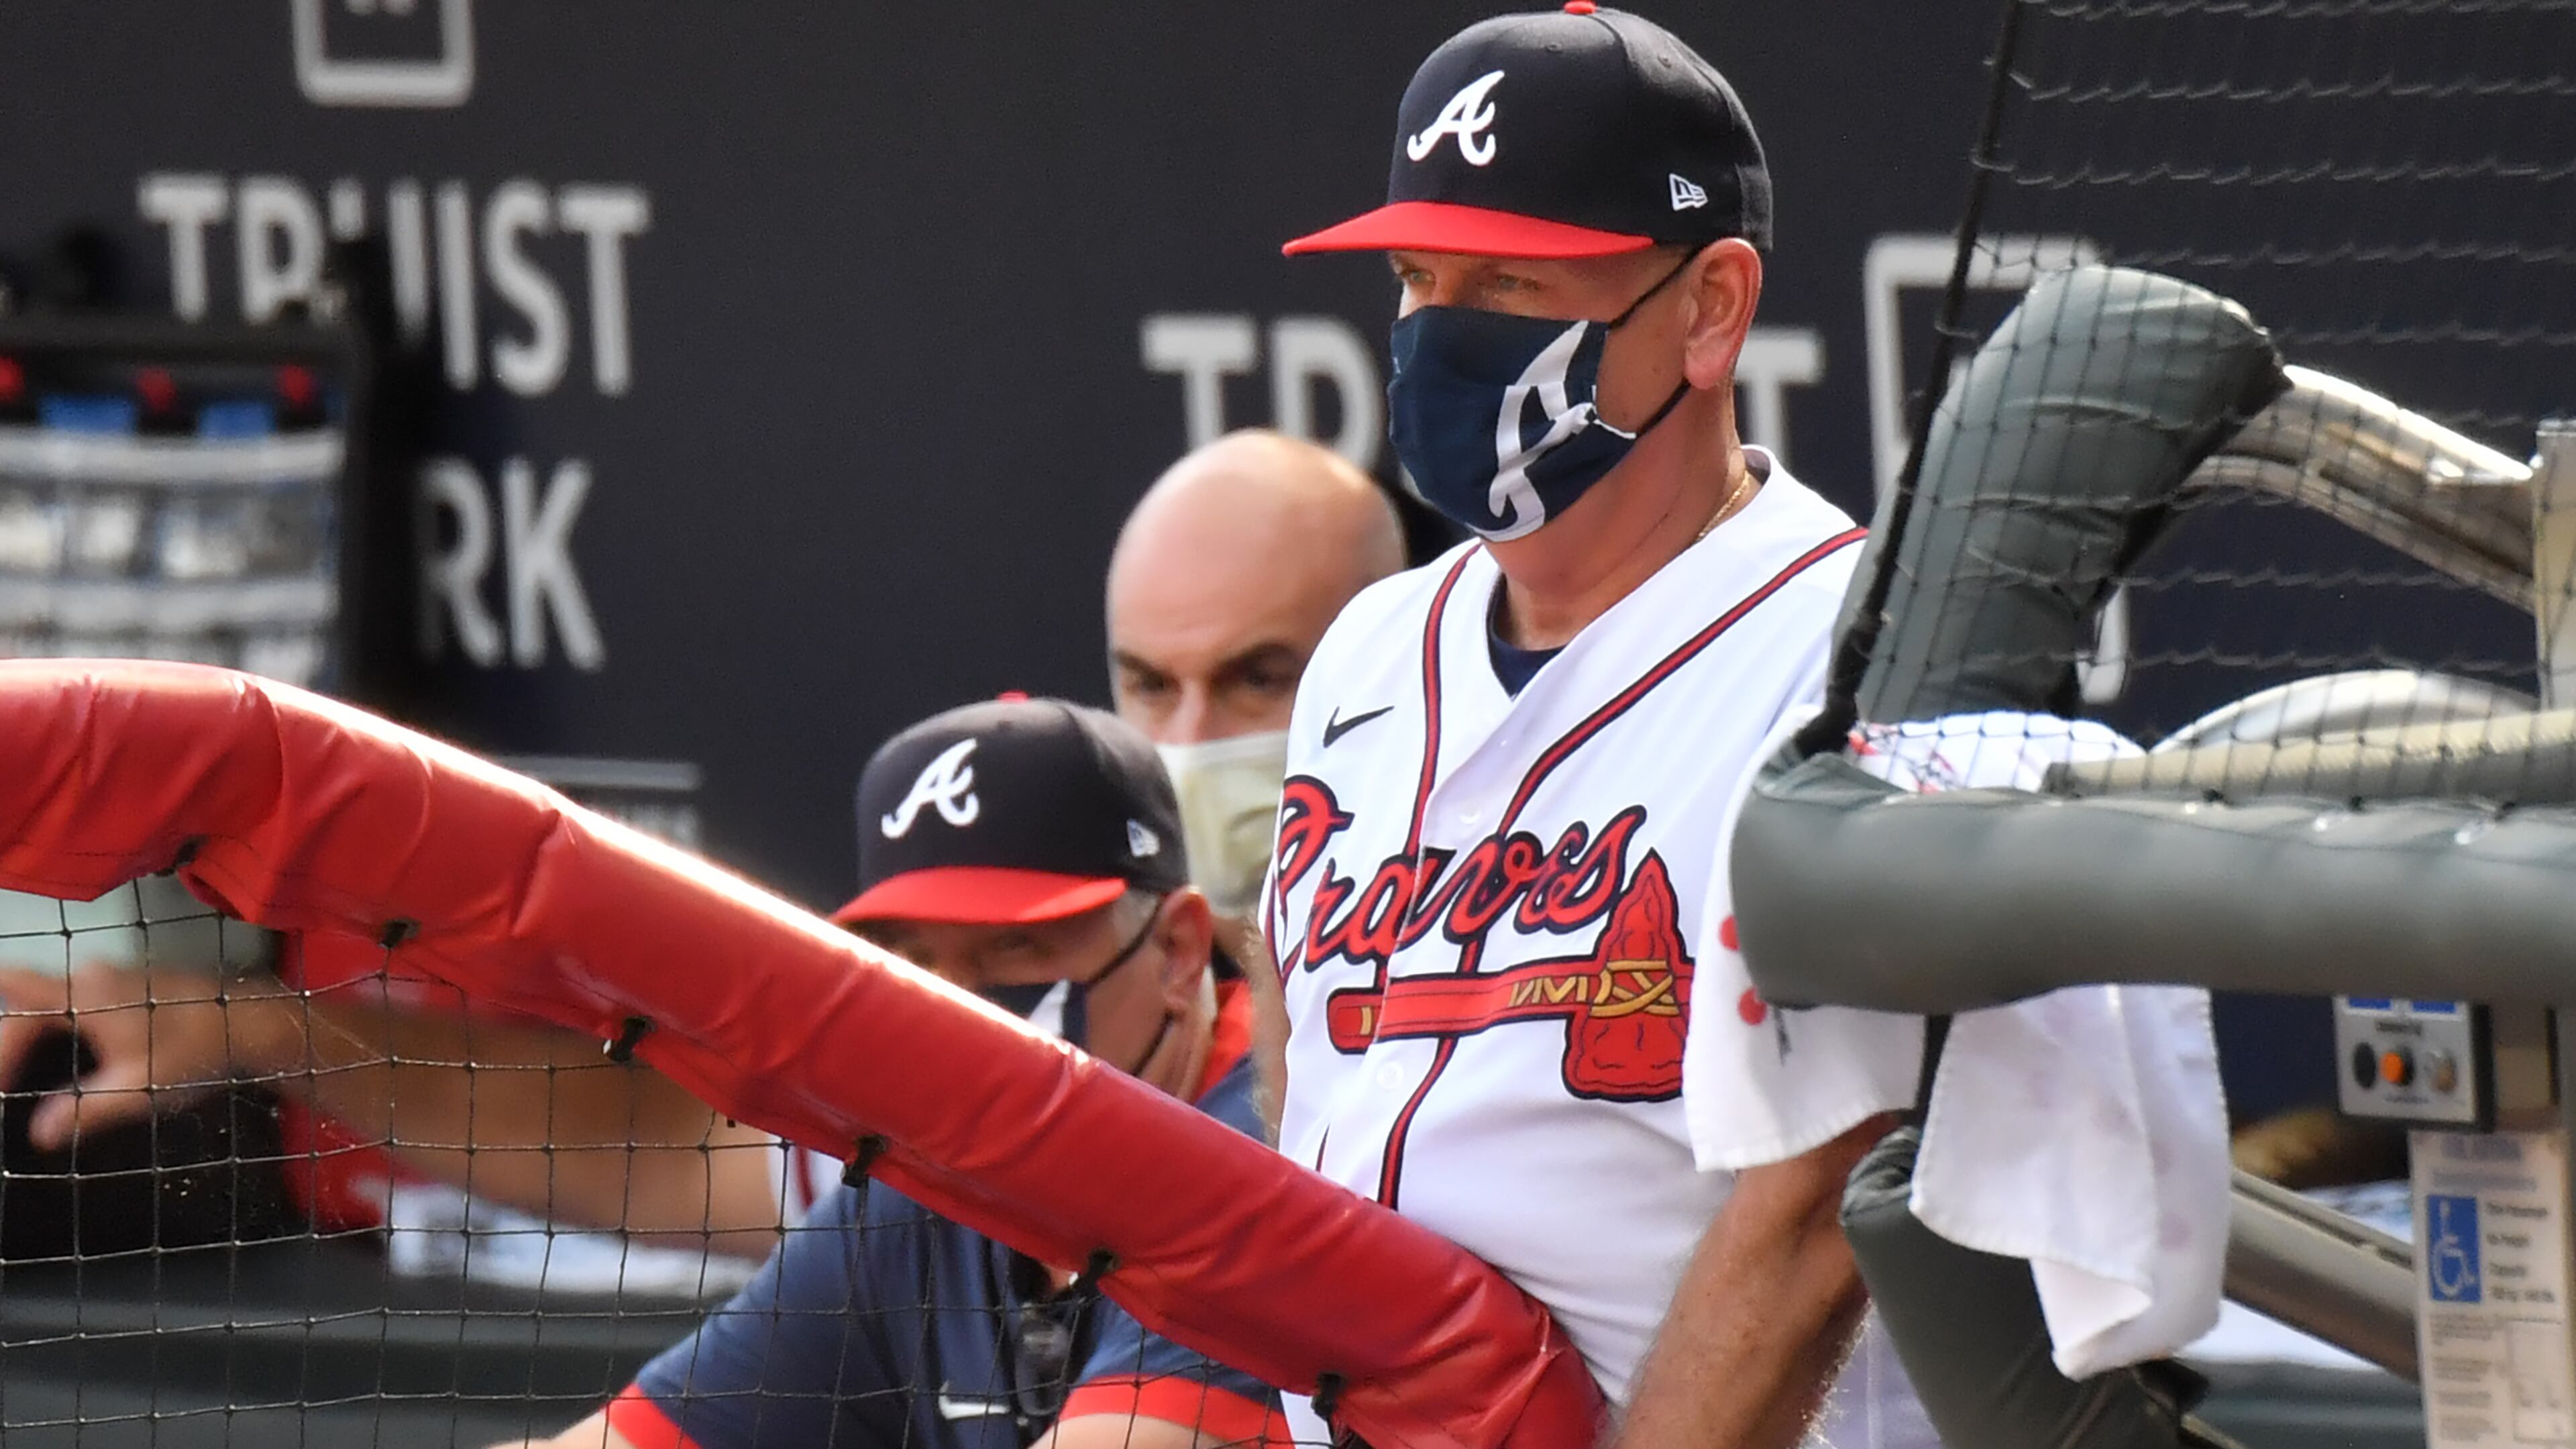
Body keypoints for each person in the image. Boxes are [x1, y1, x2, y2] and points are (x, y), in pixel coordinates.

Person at [1264, 8, 1932, 1448]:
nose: (1442, 329)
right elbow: (1306, 1070)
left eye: (1508, 279)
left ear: (1709, 308)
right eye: (1416, 277)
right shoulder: (1371, 650)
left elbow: (1817, 1215)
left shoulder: (1858, 665)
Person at [526, 696, 1283, 1449]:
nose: (947, 1016)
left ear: (1178, 953)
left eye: (1015, 948)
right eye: (911, 961)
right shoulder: (923, 1187)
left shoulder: (1273, 1151)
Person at [1106, 429, 1407, 1113]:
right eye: (1152, 687)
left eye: (1257, 680)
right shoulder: (1091, 1016)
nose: (1191, 741)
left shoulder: (1496, 983)